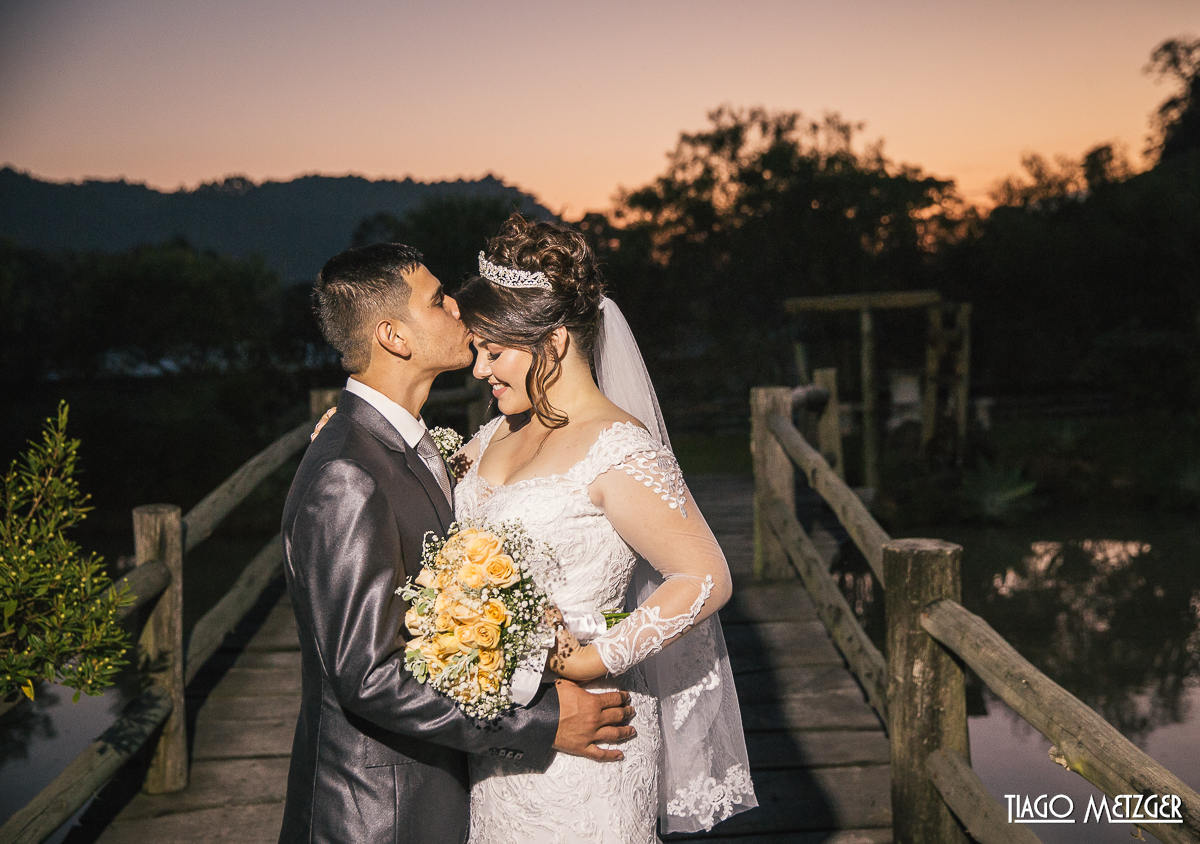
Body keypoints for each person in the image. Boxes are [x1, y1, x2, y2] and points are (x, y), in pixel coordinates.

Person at [279, 243, 635, 844]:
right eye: (439, 300)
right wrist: (541, 721)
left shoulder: (408, 449)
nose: (460, 310)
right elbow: (369, 677)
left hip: (437, 791)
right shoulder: (349, 472)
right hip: (376, 814)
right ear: (394, 336)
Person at [452, 215, 757, 843]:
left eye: (495, 349)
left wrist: (592, 660)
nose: (480, 369)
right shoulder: (494, 433)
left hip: (588, 746)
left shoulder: (619, 449)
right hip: (499, 741)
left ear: (555, 342)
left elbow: (705, 577)